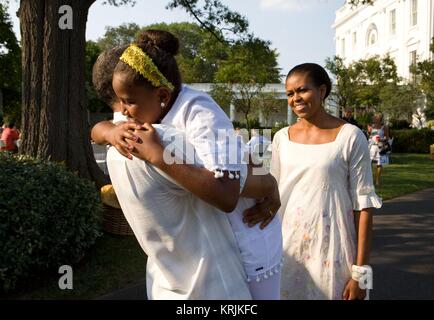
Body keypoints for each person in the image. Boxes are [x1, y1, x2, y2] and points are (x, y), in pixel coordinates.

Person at [90, 31, 283, 299]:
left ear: (163, 96)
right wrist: (109, 133)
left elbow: (227, 194)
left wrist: (159, 156)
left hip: (249, 229)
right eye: (120, 102)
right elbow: (97, 129)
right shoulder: (142, 104)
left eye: (127, 102)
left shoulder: (199, 112)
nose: (122, 112)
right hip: (216, 245)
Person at [271, 63, 382, 300]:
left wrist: (361, 274)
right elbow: (271, 196)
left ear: (322, 91)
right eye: (290, 93)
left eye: (302, 90)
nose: (296, 98)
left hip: (334, 254)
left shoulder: (350, 136)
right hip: (286, 253)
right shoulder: (281, 138)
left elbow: (363, 206)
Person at [367, 112, 391, 187]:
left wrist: (381, 139)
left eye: (376, 117)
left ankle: (377, 180)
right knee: (369, 163)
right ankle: (369, 180)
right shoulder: (370, 126)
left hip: (380, 147)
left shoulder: (384, 127)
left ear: (380, 119)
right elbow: (368, 135)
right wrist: (369, 131)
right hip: (371, 147)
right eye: (375, 117)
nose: (374, 118)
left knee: (379, 163)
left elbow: (387, 137)